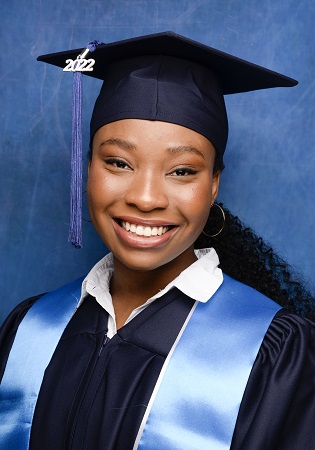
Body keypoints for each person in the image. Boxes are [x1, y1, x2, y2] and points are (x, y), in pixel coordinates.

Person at [0, 31, 314, 450]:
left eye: (182, 170)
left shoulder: (270, 354)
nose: (145, 198)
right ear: (87, 165)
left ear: (215, 183)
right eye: (118, 162)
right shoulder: (30, 329)